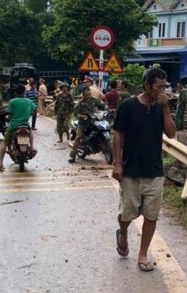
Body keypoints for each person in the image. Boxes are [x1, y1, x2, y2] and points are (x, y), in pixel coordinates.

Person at [111, 67, 176, 272]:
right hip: (131, 170)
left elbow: (172, 134)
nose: (162, 90)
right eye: (158, 86)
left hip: (155, 170)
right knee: (127, 214)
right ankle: (123, 233)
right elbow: (118, 134)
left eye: (164, 86)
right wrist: (117, 163)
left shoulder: (160, 107)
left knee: (151, 215)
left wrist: (166, 109)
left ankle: (142, 255)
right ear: (146, 85)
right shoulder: (128, 105)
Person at [0, 84, 36, 171]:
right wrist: (29, 114)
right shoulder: (29, 101)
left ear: (16, 92)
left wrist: (9, 119)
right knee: (31, 135)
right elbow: (34, 110)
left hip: (14, 126)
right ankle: (31, 147)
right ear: (24, 92)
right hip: (25, 125)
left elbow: (9, 114)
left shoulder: (13, 101)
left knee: (5, 143)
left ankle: (0, 164)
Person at [69, 86, 106, 163]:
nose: (88, 96)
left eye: (89, 94)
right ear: (83, 94)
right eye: (86, 94)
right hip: (83, 123)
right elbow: (75, 114)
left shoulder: (94, 100)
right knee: (78, 137)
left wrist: (107, 108)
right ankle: (72, 156)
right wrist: (82, 116)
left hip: (93, 121)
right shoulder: (79, 104)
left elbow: (102, 106)